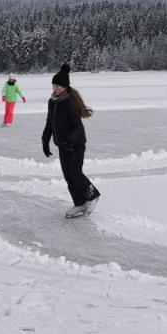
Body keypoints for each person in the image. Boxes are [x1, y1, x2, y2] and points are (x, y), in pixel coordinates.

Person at [41, 63, 100, 218]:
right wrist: (45, 141)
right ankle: (79, 203)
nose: (55, 89)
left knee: (75, 173)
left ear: (65, 87)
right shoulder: (52, 102)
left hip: (76, 145)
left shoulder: (69, 103)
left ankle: (92, 195)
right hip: (62, 146)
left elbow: (77, 127)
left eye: (59, 86)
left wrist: (70, 142)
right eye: (54, 85)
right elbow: (49, 123)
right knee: (68, 176)